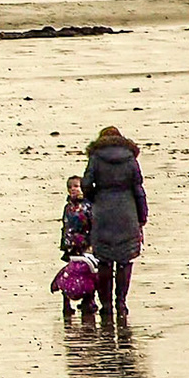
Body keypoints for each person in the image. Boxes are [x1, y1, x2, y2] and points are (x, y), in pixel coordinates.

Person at [83, 127, 147, 317]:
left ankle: (106, 305)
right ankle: (121, 303)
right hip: (127, 212)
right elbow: (138, 190)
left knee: (104, 261)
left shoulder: (95, 157)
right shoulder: (130, 159)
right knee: (125, 260)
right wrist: (142, 217)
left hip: (103, 212)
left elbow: (86, 184)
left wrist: (96, 198)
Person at [60, 175, 96, 317]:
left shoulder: (88, 206)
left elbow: (93, 225)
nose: (73, 190)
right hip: (71, 246)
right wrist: (65, 243)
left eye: (76, 186)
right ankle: (66, 302)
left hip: (86, 246)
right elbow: (65, 226)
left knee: (88, 274)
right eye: (70, 187)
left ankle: (89, 300)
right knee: (70, 274)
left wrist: (92, 243)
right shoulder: (68, 207)